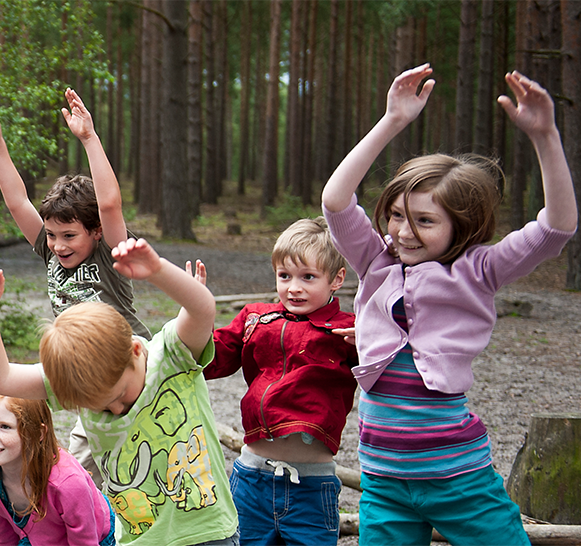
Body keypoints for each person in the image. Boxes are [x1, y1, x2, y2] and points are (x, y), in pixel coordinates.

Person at [321, 64, 576, 546]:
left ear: (462, 224)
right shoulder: (375, 260)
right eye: (396, 215)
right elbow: (336, 201)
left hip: (459, 479)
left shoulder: (481, 269)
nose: (403, 231)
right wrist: (392, 120)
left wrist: (545, 137)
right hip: (383, 481)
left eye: (424, 220)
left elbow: (556, 228)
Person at [0, 238, 239, 546]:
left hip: (207, 535)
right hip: (137, 540)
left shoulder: (173, 357)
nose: (117, 410)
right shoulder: (77, 378)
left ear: (135, 350)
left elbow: (202, 309)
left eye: (119, 396)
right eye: (102, 408)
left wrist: (157, 271)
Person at [0, 88, 146, 483]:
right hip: (84, 374)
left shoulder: (110, 254)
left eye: (69, 236)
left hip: (127, 370)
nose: (58, 245)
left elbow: (110, 205)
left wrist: (89, 138)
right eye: (51, 235)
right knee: (84, 476)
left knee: (138, 466)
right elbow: (17, 202)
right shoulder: (50, 252)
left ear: (96, 232)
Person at [199, 217, 356, 546]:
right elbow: (210, 360)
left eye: (308, 277)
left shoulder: (347, 330)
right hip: (252, 477)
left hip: (312, 485)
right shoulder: (256, 318)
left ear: (337, 279)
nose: (293, 287)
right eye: (284, 276)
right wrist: (196, 313)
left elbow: (383, 377)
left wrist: (372, 343)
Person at [0, 393, 115, 546]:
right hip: (37, 538)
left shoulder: (67, 483)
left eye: (5, 427)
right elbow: (3, 539)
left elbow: (84, 542)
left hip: (94, 538)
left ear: (38, 433)